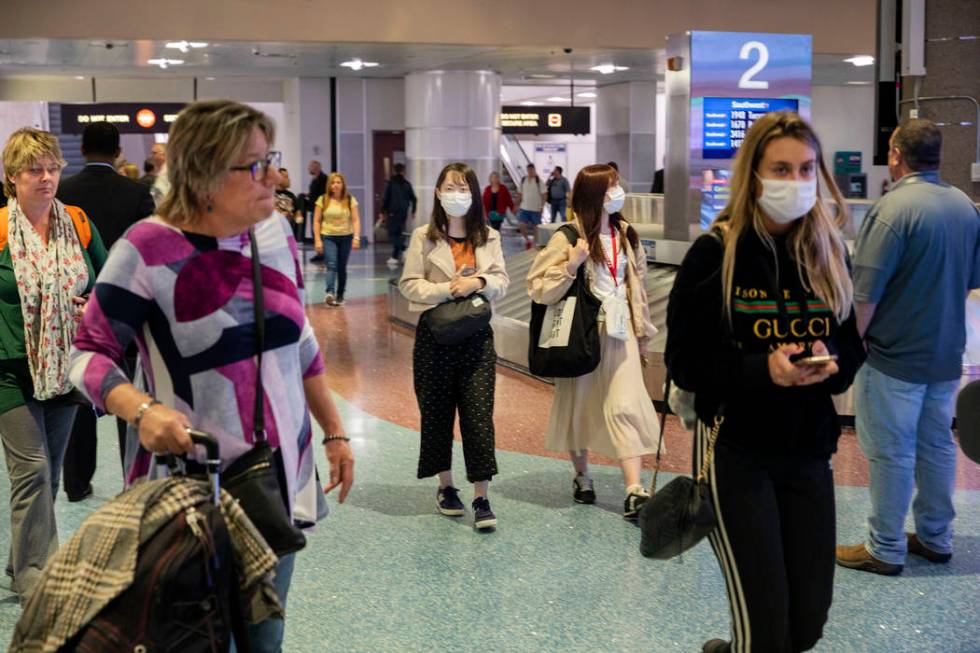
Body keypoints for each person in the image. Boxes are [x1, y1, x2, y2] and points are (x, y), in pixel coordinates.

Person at [68, 100, 354, 653]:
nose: (272, 176)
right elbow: (87, 354)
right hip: (189, 495)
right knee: (194, 639)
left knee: (265, 639)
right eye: (253, 165)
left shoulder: (273, 235)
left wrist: (334, 431)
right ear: (202, 174)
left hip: (275, 481)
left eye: (268, 159)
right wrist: (141, 410)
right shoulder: (146, 248)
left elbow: (302, 340)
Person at [665, 112, 865, 653]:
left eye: (806, 169)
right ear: (754, 173)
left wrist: (830, 362)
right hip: (737, 453)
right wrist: (763, 370)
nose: (795, 181)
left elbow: (852, 349)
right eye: (781, 168)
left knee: (807, 623)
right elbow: (683, 362)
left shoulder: (826, 254)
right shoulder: (715, 255)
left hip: (807, 453)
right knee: (767, 627)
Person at [837, 119, 980, 575]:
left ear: (896, 155)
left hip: (893, 358)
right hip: (944, 355)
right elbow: (972, 281)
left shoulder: (891, 210)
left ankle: (885, 547)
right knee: (937, 445)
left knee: (891, 452)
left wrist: (847, 353)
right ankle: (936, 538)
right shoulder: (964, 206)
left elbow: (865, 297)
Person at [0, 128, 108, 602]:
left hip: (66, 364)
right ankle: (37, 578)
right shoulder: (1, 228)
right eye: (33, 170)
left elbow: (108, 283)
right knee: (35, 471)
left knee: (51, 472)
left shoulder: (78, 222)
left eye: (52, 168)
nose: (46, 178)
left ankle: (20, 558)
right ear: (11, 177)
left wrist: (92, 306)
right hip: (8, 368)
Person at [528, 164, 660, 519]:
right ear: (593, 195)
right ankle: (582, 477)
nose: (617, 192)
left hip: (622, 333)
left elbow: (638, 289)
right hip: (582, 334)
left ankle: (634, 489)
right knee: (579, 405)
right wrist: (572, 265)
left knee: (625, 405)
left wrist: (643, 334)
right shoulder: (569, 236)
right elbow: (538, 286)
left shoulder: (626, 233)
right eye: (610, 187)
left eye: (618, 184)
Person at [398, 162, 509, 530]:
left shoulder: (488, 236)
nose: (457, 194)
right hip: (436, 338)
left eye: (464, 188)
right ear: (437, 192)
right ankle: (446, 487)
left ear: (474, 194)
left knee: (478, 418)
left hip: (477, 339)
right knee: (437, 415)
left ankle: (481, 495)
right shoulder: (423, 236)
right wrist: (448, 289)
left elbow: (501, 281)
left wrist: (476, 282)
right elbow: (409, 284)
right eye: (450, 187)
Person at [56, 121, 155, 502]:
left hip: (76, 305)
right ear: (118, 152)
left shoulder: (62, 192)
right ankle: (134, 482)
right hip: (128, 307)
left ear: (81, 150)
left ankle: (76, 482)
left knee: (80, 390)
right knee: (130, 392)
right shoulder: (136, 193)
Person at [313, 172, 361, 306]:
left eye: (338, 182)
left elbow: (356, 220)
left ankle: (340, 295)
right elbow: (316, 221)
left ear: (343, 184)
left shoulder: (350, 199)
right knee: (332, 265)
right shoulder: (322, 200)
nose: (335, 185)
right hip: (328, 236)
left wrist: (356, 238)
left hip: (346, 237)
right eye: (333, 182)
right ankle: (330, 292)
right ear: (329, 185)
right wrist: (317, 240)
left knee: (341, 267)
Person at [380, 162, 417, 269]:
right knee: (398, 234)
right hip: (403, 212)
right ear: (402, 171)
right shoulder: (407, 184)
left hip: (393, 212)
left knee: (392, 235)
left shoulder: (391, 183)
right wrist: (413, 211)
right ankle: (394, 257)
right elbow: (414, 199)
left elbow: (385, 198)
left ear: (394, 171)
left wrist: (382, 211)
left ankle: (404, 248)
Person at [516, 163, 546, 249]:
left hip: (535, 208)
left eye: (532, 170)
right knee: (521, 224)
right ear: (527, 170)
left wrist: (542, 206)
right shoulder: (523, 180)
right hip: (524, 207)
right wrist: (517, 204)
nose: (530, 172)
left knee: (536, 226)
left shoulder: (538, 181)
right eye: (529, 170)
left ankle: (534, 242)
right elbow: (520, 194)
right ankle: (527, 239)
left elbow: (544, 194)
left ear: (534, 170)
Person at [274, 167, 303, 243]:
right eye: (285, 177)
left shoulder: (291, 195)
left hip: (288, 234)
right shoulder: (269, 194)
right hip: (273, 234)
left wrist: (298, 217)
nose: (289, 179)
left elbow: (298, 215)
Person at [307, 160, 328, 262]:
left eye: (310, 166)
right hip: (314, 209)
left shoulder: (324, 179)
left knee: (321, 232)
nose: (309, 168)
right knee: (316, 232)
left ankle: (325, 253)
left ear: (316, 167)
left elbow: (325, 195)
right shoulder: (314, 180)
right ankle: (320, 253)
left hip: (321, 210)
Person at [149, 142, 169, 207]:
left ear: (164, 154)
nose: (151, 156)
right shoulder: (161, 172)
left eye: (154, 153)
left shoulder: (169, 173)